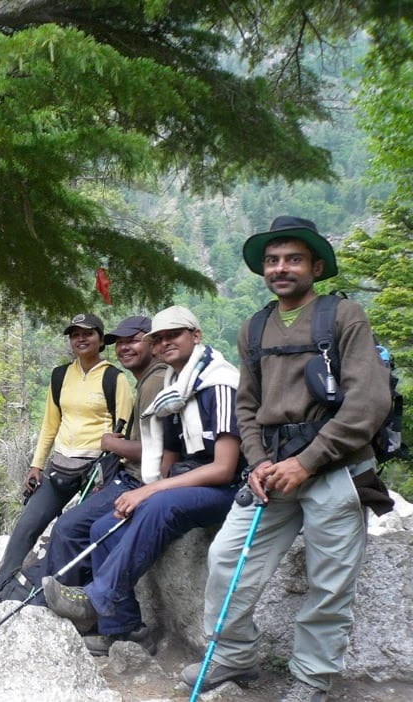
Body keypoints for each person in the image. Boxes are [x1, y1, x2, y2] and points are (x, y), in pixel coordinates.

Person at [181, 217, 392, 702]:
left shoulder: (344, 317)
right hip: (272, 472)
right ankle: (233, 656)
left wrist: (309, 461)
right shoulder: (253, 328)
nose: (281, 268)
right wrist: (255, 462)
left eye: (293, 259)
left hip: (336, 469)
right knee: (226, 557)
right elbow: (247, 407)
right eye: (273, 261)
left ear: (316, 266)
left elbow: (368, 403)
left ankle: (311, 680)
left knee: (329, 582)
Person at [43, 306, 244, 656]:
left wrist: (151, 490)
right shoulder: (174, 387)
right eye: (160, 338)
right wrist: (145, 490)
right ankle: (124, 630)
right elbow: (169, 453)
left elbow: (224, 468)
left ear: (196, 336)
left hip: (224, 487)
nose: (165, 343)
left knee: (159, 504)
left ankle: (97, 597)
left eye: (173, 335)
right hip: (188, 482)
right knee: (104, 526)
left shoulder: (219, 383)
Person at [0, 313, 134, 601]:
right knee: (28, 524)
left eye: (88, 333)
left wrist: (112, 471)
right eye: (74, 334)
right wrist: (36, 465)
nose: (81, 339)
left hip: (96, 471)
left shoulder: (114, 379)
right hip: (60, 466)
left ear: (101, 339)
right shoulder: (60, 376)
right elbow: (49, 425)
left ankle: (66, 595)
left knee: (76, 532)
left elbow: (124, 430)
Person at [34, 315, 168, 654]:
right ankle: (89, 616)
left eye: (134, 340)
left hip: (140, 480)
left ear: (152, 342)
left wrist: (113, 446)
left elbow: (162, 449)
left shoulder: (152, 381)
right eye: (121, 342)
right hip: (127, 475)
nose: (125, 347)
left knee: (71, 528)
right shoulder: (146, 379)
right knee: (77, 526)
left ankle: (73, 614)